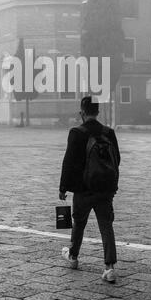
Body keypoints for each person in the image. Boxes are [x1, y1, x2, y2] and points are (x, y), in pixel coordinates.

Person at [59, 96, 121, 283]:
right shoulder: (108, 132)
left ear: (82, 112)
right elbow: (116, 159)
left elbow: (69, 162)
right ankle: (109, 268)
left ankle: (73, 256)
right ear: (98, 111)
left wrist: (63, 188)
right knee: (106, 226)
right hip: (104, 189)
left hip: (83, 189)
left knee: (79, 222)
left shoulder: (76, 133)